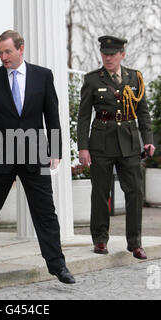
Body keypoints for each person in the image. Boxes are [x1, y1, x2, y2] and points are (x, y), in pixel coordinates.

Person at [0, 30, 75, 284]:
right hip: (1, 152)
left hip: (35, 152)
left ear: (21, 49)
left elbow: (51, 114)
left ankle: (58, 265)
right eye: (0, 52)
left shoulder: (43, 75)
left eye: (7, 51)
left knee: (45, 211)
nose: (3, 57)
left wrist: (55, 150)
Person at [77, 35, 155, 259]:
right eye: (105, 54)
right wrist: (83, 147)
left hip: (129, 143)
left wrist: (147, 138)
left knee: (135, 193)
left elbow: (143, 112)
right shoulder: (92, 79)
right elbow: (83, 117)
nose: (108, 58)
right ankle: (100, 239)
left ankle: (135, 243)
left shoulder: (135, 78)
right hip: (101, 143)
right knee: (101, 193)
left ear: (123, 54)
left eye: (112, 54)